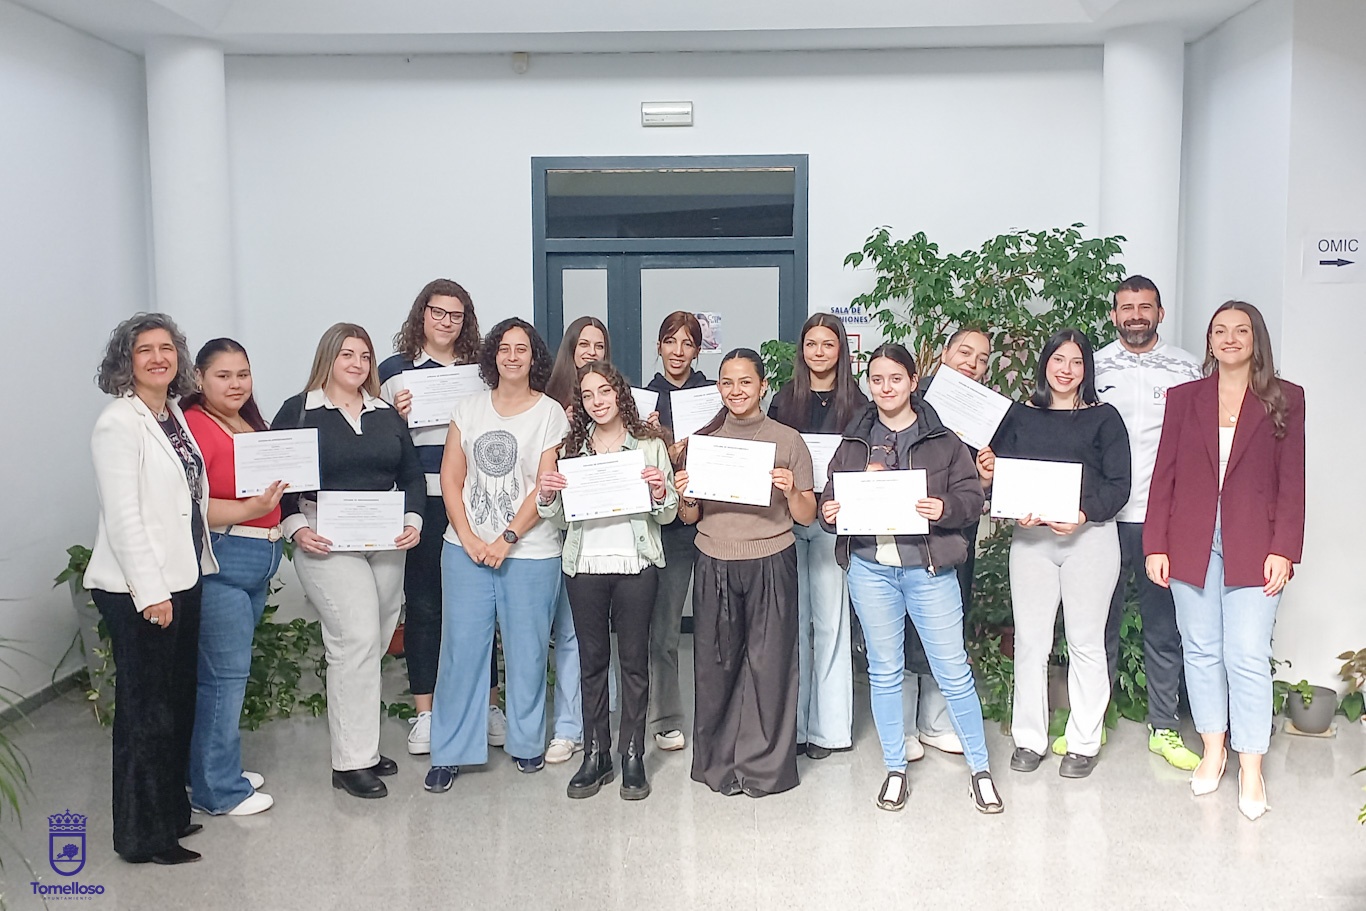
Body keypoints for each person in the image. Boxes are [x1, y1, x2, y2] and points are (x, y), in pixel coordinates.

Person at [818, 344, 1002, 813]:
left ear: (913, 381)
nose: (885, 389)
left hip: (929, 569)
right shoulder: (855, 440)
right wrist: (830, 510)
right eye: (876, 380)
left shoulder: (942, 439)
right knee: (884, 671)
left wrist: (944, 509)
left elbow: (970, 498)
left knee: (953, 671)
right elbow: (828, 501)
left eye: (895, 379)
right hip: (871, 569)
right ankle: (895, 767)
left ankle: (981, 769)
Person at [1144, 301, 1304, 821]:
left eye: (1240, 330)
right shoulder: (1184, 397)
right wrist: (1155, 544)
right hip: (1190, 539)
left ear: (1256, 338)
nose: (1230, 338)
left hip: (1255, 543)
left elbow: (1293, 483)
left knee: (1248, 654)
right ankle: (1214, 749)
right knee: (1202, 650)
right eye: (1220, 331)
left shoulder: (1286, 398)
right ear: (1209, 341)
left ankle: (1251, 764)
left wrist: (1284, 548)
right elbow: (1163, 474)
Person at [84, 313, 217, 864]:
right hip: (139, 588)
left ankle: (170, 814)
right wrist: (151, 593)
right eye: (146, 350)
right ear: (126, 361)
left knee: (175, 702)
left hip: (181, 577)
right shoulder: (119, 422)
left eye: (167, 348)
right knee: (147, 713)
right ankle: (142, 837)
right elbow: (124, 518)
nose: (159, 357)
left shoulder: (170, 416)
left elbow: (188, 499)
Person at [271, 323, 425, 799]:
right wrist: (296, 528)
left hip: (384, 539)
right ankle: (350, 763)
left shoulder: (384, 413)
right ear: (328, 359)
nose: (357, 365)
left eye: (364, 356)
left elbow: (412, 475)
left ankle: (365, 745)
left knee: (374, 639)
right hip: (326, 540)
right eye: (347, 355)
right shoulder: (299, 410)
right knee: (354, 637)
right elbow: (275, 478)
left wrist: (415, 520)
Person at [425, 318, 570, 791]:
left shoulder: (550, 413)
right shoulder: (467, 409)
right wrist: (468, 537)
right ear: (492, 356)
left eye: (521, 349)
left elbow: (544, 484)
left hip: (530, 553)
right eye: (504, 348)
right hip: (463, 549)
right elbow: (451, 479)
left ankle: (527, 744)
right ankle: (449, 751)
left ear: (534, 358)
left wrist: (506, 538)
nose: (512, 356)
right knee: (462, 650)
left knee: (528, 652)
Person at [983, 328, 1130, 779]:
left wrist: (1083, 515)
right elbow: (999, 476)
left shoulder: (1105, 418)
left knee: (1085, 643)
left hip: (1090, 539)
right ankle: (1030, 740)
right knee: (1031, 643)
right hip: (1032, 542)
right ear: (1045, 363)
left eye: (1076, 362)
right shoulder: (1017, 416)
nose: (1066, 370)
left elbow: (1119, 486)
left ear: (1087, 370)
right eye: (1058, 360)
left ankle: (1084, 742)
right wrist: (994, 483)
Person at [674, 348, 815, 798]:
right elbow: (690, 518)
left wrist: (792, 490)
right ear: (719, 388)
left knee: (770, 666)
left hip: (771, 558)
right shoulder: (702, 440)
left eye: (745, 383)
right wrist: (686, 495)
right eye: (727, 383)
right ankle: (717, 763)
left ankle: (764, 768)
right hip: (714, 558)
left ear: (762, 386)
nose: (736, 392)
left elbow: (808, 515)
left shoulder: (787, 440)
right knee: (716, 666)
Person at [536, 361, 678, 799]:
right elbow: (557, 517)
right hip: (586, 567)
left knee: (634, 663)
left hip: (636, 564)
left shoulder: (649, 446)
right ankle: (594, 755)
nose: (598, 402)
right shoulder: (571, 450)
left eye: (605, 392)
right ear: (580, 402)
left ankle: (632, 754)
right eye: (588, 395)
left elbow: (669, 511)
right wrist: (546, 496)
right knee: (591, 663)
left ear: (620, 394)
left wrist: (659, 492)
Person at [377, 279, 498, 757]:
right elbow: (375, 437)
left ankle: (488, 705)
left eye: (456, 314)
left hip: (474, 502)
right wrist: (392, 415)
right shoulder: (391, 371)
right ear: (421, 314)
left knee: (478, 608)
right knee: (424, 606)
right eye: (438, 312)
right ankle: (425, 713)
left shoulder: (480, 372)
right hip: (419, 502)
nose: (447, 322)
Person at [1090, 276, 1203, 770]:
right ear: (1114, 315)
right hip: (1104, 516)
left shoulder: (1186, 366)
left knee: (1163, 626)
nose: (1135, 315)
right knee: (1098, 623)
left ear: (1160, 312)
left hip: (1164, 519)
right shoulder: (1093, 364)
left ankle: (1164, 726)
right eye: (1126, 307)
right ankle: (1089, 722)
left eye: (1145, 307)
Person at [181, 339, 284, 818]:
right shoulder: (193, 426)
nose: (236, 383)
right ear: (200, 378)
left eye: (242, 373)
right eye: (223, 375)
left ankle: (212, 770)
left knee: (227, 672)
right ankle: (217, 791)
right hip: (222, 556)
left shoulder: (249, 420)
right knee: (224, 676)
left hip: (259, 556)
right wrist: (251, 509)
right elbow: (189, 502)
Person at [767, 313, 867, 759]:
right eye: (811, 344)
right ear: (802, 350)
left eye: (828, 344)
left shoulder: (859, 405)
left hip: (834, 523)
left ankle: (828, 730)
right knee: (794, 625)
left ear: (841, 350)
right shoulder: (783, 401)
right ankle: (797, 727)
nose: (819, 352)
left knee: (830, 624)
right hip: (786, 521)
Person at [902, 326, 993, 760]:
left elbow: (982, 488)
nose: (971, 364)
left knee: (945, 630)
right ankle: (903, 728)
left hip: (955, 537)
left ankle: (934, 722)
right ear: (944, 354)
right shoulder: (910, 398)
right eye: (964, 352)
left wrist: (987, 477)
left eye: (981, 359)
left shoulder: (987, 415)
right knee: (899, 627)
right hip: (902, 533)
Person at [538, 315, 613, 765]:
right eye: (583, 344)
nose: (591, 352)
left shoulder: (615, 401)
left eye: (599, 345)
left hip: (608, 538)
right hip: (557, 536)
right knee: (568, 636)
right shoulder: (547, 404)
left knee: (598, 637)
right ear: (569, 349)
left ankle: (599, 724)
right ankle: (569, 728)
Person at [644, 311, 712, 752]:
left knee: (718, 627)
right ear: (659, 346)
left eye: (687, 344)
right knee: (664, 630)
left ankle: (717, 716)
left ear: (698, 350)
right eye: (670, 342)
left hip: (713, 523)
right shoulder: (642, 399)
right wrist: (658, 447)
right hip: (665, 527)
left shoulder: (715, 395)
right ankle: (667, 717)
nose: (678, 352)